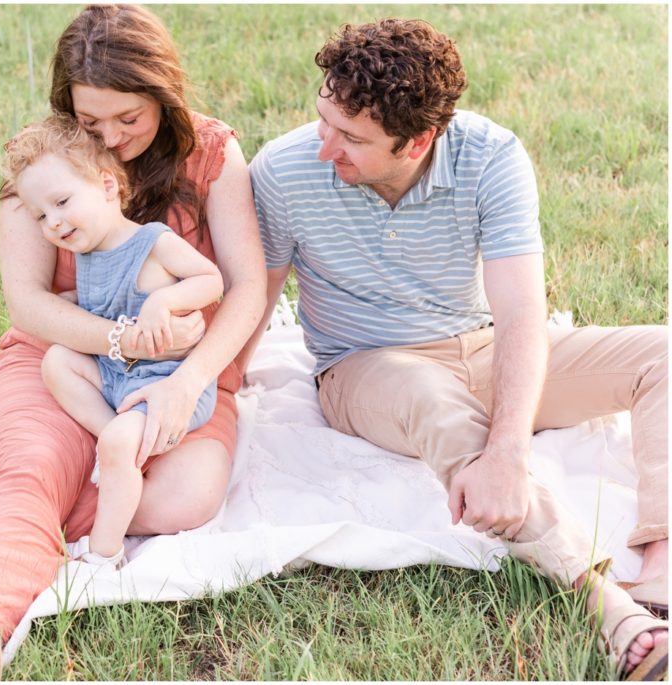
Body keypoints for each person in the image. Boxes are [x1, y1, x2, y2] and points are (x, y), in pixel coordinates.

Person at [245, 18, 668, 680]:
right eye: (325, 120)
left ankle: (662, 563)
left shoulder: (492, 156)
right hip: (364, 368)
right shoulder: (283, 168)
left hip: (479, 344)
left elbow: (522, 309)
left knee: (661, 353)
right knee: (435, 404)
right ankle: (605, 601)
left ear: (419, 140)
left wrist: (509, 449)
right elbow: (256, 297)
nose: (326, 147)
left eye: (352, 139)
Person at [0, 4, 266, 680]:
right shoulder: (42, 164)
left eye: (128, 118)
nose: (111, 136)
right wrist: (123, 339)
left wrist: (188, 380)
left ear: (164, 94)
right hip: (61, 359)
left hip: (179, 370)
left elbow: (244, 286)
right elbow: (31, 303)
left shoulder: (212, 153)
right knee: (43, 466)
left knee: (185, 501)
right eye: (90, 120)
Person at [2, 114, 225, 568]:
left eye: (62, 202)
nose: (54, 223)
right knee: (58, 362)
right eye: (42, 215)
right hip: (117, 373)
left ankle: (103, 555)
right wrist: (67, 301)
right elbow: (98, 305)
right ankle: (114, 444)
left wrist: (164, 303)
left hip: (165, 383)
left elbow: (211, 280)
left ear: (107, 186)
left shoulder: (153, 242)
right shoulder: (87, 254)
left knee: (122, 442)